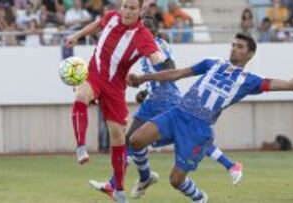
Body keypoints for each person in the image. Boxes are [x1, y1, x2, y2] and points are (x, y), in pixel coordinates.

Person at [126, 34, 293, 202]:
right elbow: (177, 73)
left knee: (175, 180)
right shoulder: (213, 63)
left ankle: (199, 198)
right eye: (233, 45)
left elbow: (292, 85)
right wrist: (143, 77)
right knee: (135, 139)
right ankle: (146, 178)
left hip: (198, 129)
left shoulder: (250, 81)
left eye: (240, 47)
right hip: (177, 113)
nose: (234, 49)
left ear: (250, 55)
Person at [88, 15, 243, 201]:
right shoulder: (145, 47)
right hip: (155, 98)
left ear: (150, 31)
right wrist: (144, 90)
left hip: (165, 97)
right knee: (141, 139)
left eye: (142, 28)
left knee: (179, 136)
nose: (137, 31)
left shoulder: (156, 44)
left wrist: (149, 77)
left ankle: (131, 181)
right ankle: (229, 166)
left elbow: (170, 67)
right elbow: (155, 72)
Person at [65, 0, 170, 202]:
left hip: (115, 88)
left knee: (119, 139)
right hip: (94, 75)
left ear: (140, 10)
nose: (127, 11)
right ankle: (81, 147)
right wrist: (77, 36)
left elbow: (158, 60)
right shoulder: (112, 17)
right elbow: (97, 24)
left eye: (132, 8)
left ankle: (119, 191)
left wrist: (160, 62)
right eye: (125, 6)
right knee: (81, 96)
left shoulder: (143, 35)